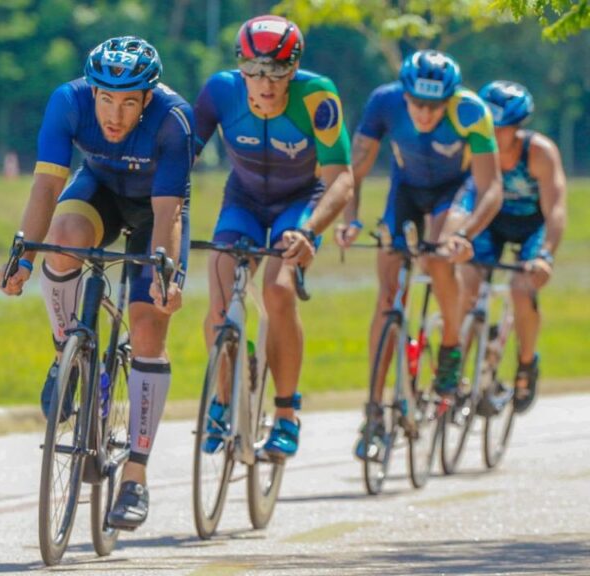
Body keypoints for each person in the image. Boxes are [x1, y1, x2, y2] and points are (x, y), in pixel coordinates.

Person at [0, 36, 193, 530]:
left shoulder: (174, 119)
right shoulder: (68, 100)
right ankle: (68, 353)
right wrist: (23, 252)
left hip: (156, 212)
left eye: (128, 102)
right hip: (100, 190)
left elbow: (169, 209)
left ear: (147, 97)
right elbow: (46, 183)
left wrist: (166, 271)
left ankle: (135, 478)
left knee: (148, 327)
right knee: (62, 240)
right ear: (93, 90)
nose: (114, 113)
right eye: (106, 98)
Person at [194, 15, 354, 458]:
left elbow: (343, 180)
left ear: (295, 68)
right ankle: (223, 401)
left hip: (300, 203)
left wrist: (309, 231)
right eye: (255, 70)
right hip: (243, 198)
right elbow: (180, 158)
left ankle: (286, 412)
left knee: (278, 290)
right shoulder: (219, 91)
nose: (266, 83)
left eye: (279, 71)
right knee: (221, 293)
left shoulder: (317, 96)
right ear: (240, 65)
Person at [337, 50, 503, 459]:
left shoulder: (471, 110)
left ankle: (449, 349)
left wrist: (466, 234)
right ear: (404, 94)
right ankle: (374, 409)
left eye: (434, 106)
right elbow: (353, 171)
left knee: (439, 253)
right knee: (387, 290)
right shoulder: (384, 101)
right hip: (405, 191)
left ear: (450, 99)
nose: (425, 114)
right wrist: (350, 219)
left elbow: (492, 187)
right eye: (417, 104)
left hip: (454, 195)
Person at [460, 81, 566, 413]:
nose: (491, 135)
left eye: (500, 129)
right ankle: (463, 373)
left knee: (522, 288)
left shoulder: (539, 153)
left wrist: (546, 254)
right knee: (468, 285)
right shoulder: (473, 147)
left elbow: (556, 208)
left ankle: (526, 363)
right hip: (490, 223)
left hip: (531, 225)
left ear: (516, 127)